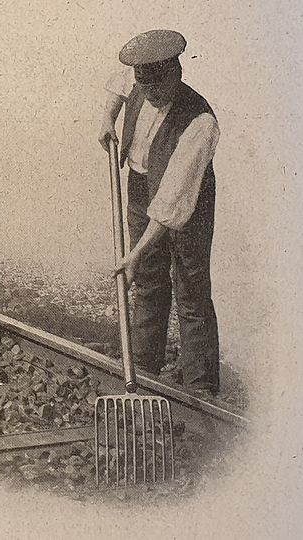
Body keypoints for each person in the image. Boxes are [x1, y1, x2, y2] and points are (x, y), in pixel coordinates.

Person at [97, 30, 221, 393]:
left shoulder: (200, 122)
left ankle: (201, 387)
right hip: (139, 183)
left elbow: (171, 202)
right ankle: (144, 367)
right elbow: (118, 85)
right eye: (142, 86)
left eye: (156, 89)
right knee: (149, 280)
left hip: (187, 201)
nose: (148, 94)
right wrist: (107, 117)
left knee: (191, 288)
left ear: (175, 73)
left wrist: (134, 254)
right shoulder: (138, 79)